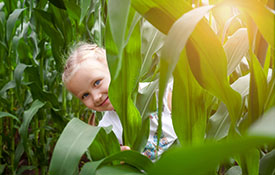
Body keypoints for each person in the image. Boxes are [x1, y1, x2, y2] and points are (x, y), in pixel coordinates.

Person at [62, 42, 177, 160]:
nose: (96, 97)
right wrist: (116, 156)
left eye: (97, 83)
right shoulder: (106, 129)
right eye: (85, 95)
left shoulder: (160, 93)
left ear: (115, 69)